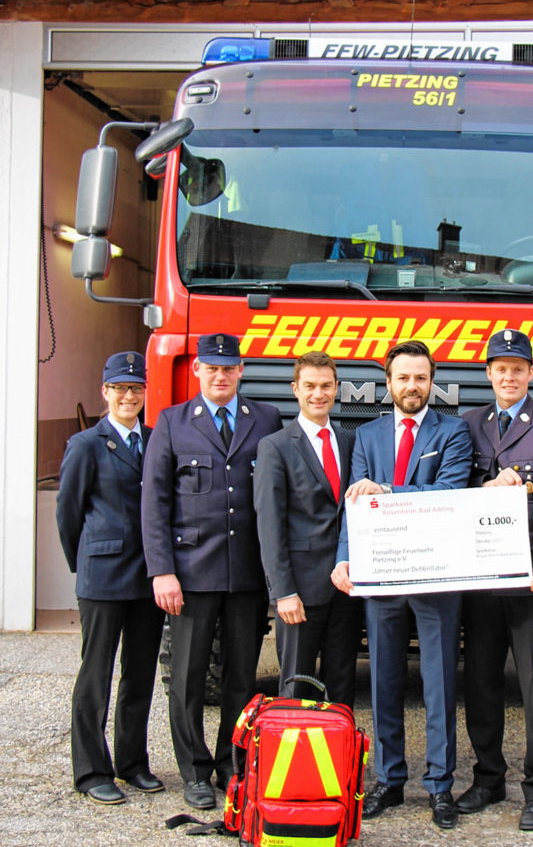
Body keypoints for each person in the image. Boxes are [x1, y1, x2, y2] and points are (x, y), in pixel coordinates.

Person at [331, 340, 472, 829]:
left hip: (435, 576)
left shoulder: (453, 432)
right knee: (384, 681)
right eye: (403, 378)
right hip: (381, 574)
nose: (412, 386)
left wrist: (388, 491)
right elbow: (354, 504)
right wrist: (344, 558)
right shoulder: (365, 436)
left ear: (432, 382)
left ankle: (440, 786)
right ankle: (389, 781)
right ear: (387, 383)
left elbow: (450, 494)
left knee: (438, 683)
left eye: (421, 378)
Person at [141, 332, 282, 811]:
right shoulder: (173, 422)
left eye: (229, 368)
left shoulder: (265, 418)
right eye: (211, 368)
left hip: (245, 574)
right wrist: (162, 571)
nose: (220, 376)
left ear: (241, 371)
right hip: (191, 575)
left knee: (242, 677)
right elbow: (154, 502)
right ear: (197, 371)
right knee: (188, 677)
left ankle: (231, 764)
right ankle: (195, 771)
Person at [457, 328, 533, 831]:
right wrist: (484, 484)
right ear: (487, 373)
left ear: (532, 373)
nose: (508, 376)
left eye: (517, 368)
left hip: (532, 577)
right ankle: (488, 778)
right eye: (499, 368)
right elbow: (451, 489)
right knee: (481, 682)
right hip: (481, 575)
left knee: (532, 688)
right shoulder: (468, 424)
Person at [56, 352, 164, 805]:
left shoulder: (157, 440)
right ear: (105, 392)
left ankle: (132, 762)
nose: (128, 396)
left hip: (147, 578)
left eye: (136, 388)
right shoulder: (86, 444)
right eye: (120, 388)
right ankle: (91, 770)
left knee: (139, 676)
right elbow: (68, 513)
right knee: (96, 674)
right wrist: (84, 561)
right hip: (103, 577)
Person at [253, 351, 362, 707]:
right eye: (310, 386)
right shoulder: (276, 447)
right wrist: (283, 591)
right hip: (299, 593)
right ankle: (292, 762)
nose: (319, 394)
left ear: (336, 389)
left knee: (343, 684)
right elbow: (270, 525)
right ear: (295, 390)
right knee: (296, 688)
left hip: (345, 589)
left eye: (326, 386)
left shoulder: (349, 441)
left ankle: (338, 760)